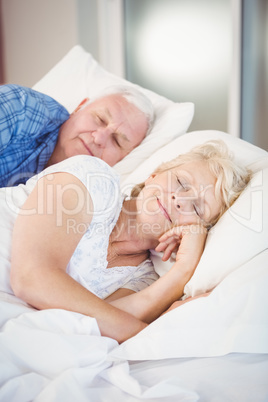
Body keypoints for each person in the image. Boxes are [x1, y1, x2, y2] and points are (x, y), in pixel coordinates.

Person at [1, 140, 250, 343]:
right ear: (154, 175)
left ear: (195, 230)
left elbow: (89, 328)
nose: (179, 199)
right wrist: (148, 334)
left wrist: (182, 272)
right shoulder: (93, 180)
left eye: (196, 208)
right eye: (181, 182)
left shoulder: (145, 279)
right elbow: (31, 278)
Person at [0, 84, 154, 187]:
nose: (99, 138)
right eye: (99, 119)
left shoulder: (88, 200)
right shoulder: (23, 108)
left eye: (117, 141)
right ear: (79, 107)